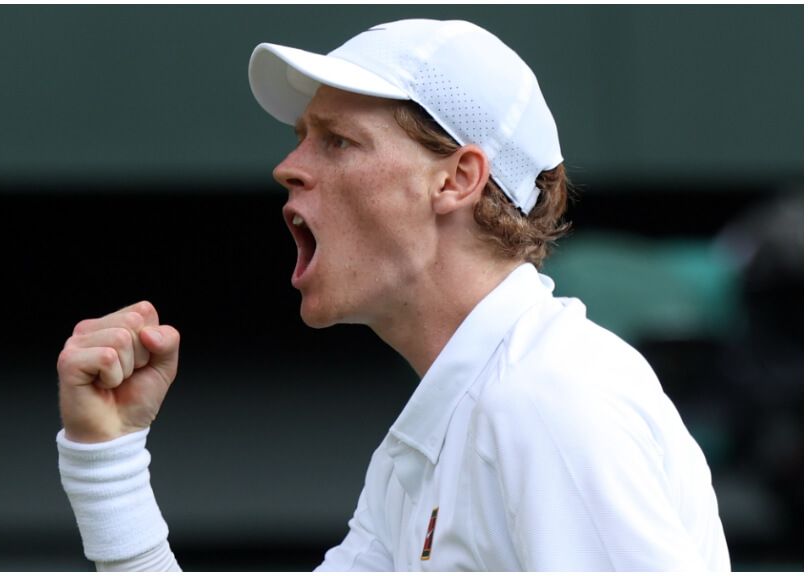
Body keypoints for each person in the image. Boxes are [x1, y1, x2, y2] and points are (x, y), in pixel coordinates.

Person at [55, 19, 730, 571]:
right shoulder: (434, 440)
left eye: (338, 141)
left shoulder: (547, 400)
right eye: (302, 140)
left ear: (457, 179)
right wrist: (106, 459)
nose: (288, 167)